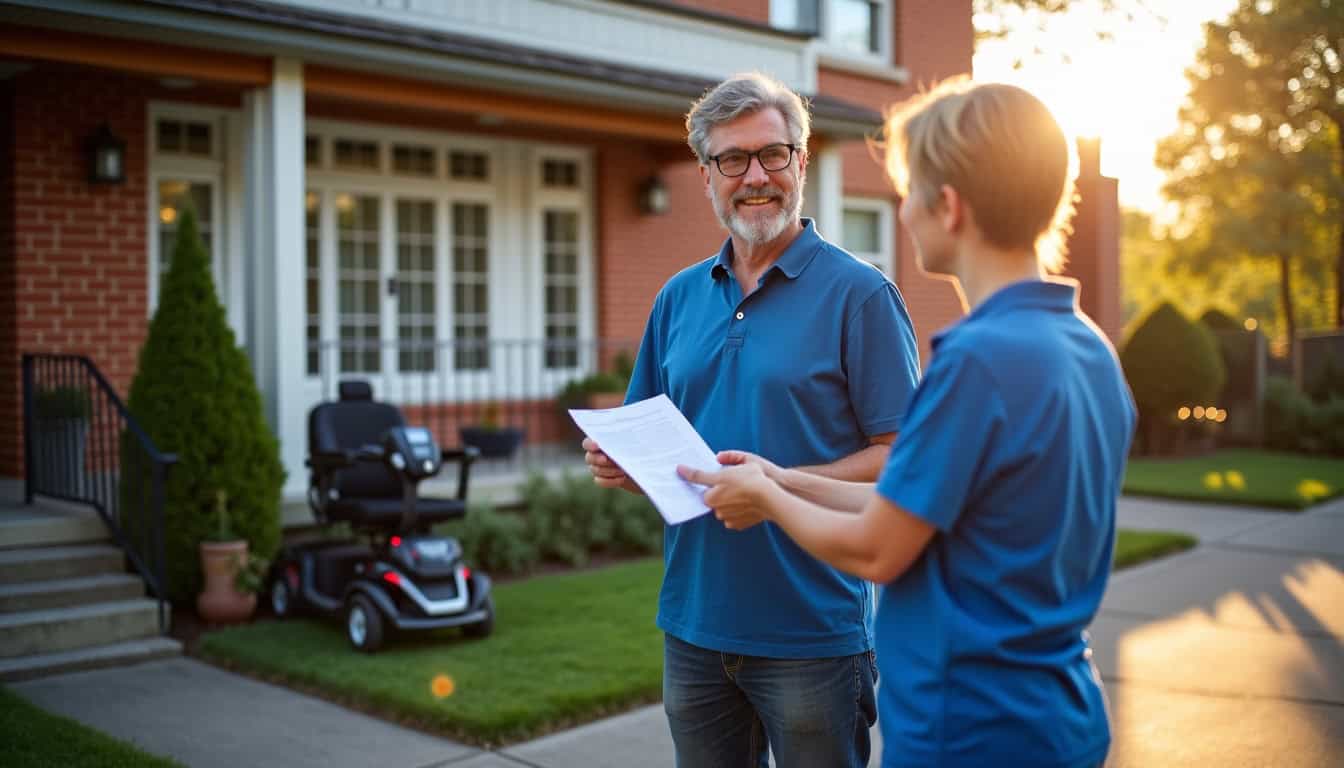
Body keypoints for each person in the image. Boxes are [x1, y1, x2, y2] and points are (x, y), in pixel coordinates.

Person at [680, 78, 1137, 768]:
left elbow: (877, 549)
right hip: (1058, 713)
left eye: (907, 193)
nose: (902, 212)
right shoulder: (1087, 346)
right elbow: (916, 505)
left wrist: (772, 498)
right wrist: (777, 476)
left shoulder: (978, 361)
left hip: (974, 727)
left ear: (947, 207)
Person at [583, 72, 921, 767]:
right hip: (694, 622)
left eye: (772, 154)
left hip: (813, 630)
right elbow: (650, 426)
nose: (755, 177)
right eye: (732, 160)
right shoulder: (678, 298)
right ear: (707, 176)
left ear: (800, 161)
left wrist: (775, 487)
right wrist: (621, 463)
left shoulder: (861, 296)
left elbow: (905, 458)